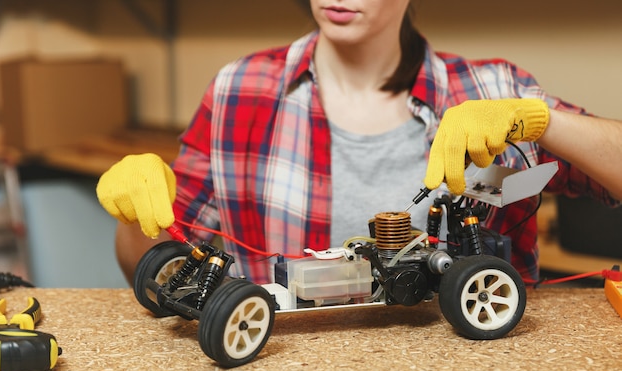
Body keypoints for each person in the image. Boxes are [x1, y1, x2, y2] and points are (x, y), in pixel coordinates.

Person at [97, 0, 622, 287]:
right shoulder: (240, 90)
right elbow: (156, 268)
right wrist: (133, 216)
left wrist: (542, 121)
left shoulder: (493, 91)